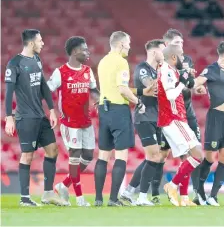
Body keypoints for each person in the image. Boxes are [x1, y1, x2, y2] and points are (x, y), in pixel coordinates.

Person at [4, 29, 67, 206]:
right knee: (27, 156)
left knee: (53, 150)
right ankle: (25, 198)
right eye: (40, 41)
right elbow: (8, 93)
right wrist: (9, 117)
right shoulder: (15, 63)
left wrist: (52, 109)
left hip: (40, 116)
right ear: (31, 43)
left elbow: (43, 86)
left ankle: (47, 194)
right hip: (26, 118)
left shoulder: (37, 60)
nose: (43, 43)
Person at [94, 31, 155, 206]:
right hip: (119, 111)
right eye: (127, 43)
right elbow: (122, 89)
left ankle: (98, 199)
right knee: (121, 156)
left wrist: (140, 92)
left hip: (103, 109)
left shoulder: (103, 61)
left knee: (103, 155)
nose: (129, 46)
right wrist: (138, 102)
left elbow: (111, 87)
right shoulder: (121, 62)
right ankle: (113, 199)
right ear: (121, 44)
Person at [47, 36, 99, 206]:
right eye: (84, 49)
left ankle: (63, 185)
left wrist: (98, 100)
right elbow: (47, 91)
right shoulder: (60, 72)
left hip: (86, 121)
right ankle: (79, 198)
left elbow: (94, 90)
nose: (88, 52)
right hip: (70, 123)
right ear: (75, 51)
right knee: (75, 155)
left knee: (89, 156)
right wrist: (52, 110)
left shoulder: (87, 70)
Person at [191, 41, 224, 206]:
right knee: (210, 157)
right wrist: (196, 88)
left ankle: (213, 196)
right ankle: (199, 192)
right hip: (216, 117)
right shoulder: (212, 69)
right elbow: (196, 82)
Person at [121, 39, 165, 206]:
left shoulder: (159, 69)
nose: (165, 54)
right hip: (144, 116)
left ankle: (129, 191)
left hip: (158, 117)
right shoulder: (143, 69)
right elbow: (153, 89)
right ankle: (142, 197)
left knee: (154, 157)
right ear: (155, 52)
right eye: (163, 51)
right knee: (154, 155)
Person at [158, 44, 203, 207]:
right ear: (174, 57)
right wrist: (183, 82)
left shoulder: (171, 70)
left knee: (189, 157)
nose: (184, 59)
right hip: (173, 118)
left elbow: (187, 84)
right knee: (198, 154)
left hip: (177, 118)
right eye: (182, 55)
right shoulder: (166, 71)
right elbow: (170, 95)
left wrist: (185, 77)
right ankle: (172, 185)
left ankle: (183, 197)